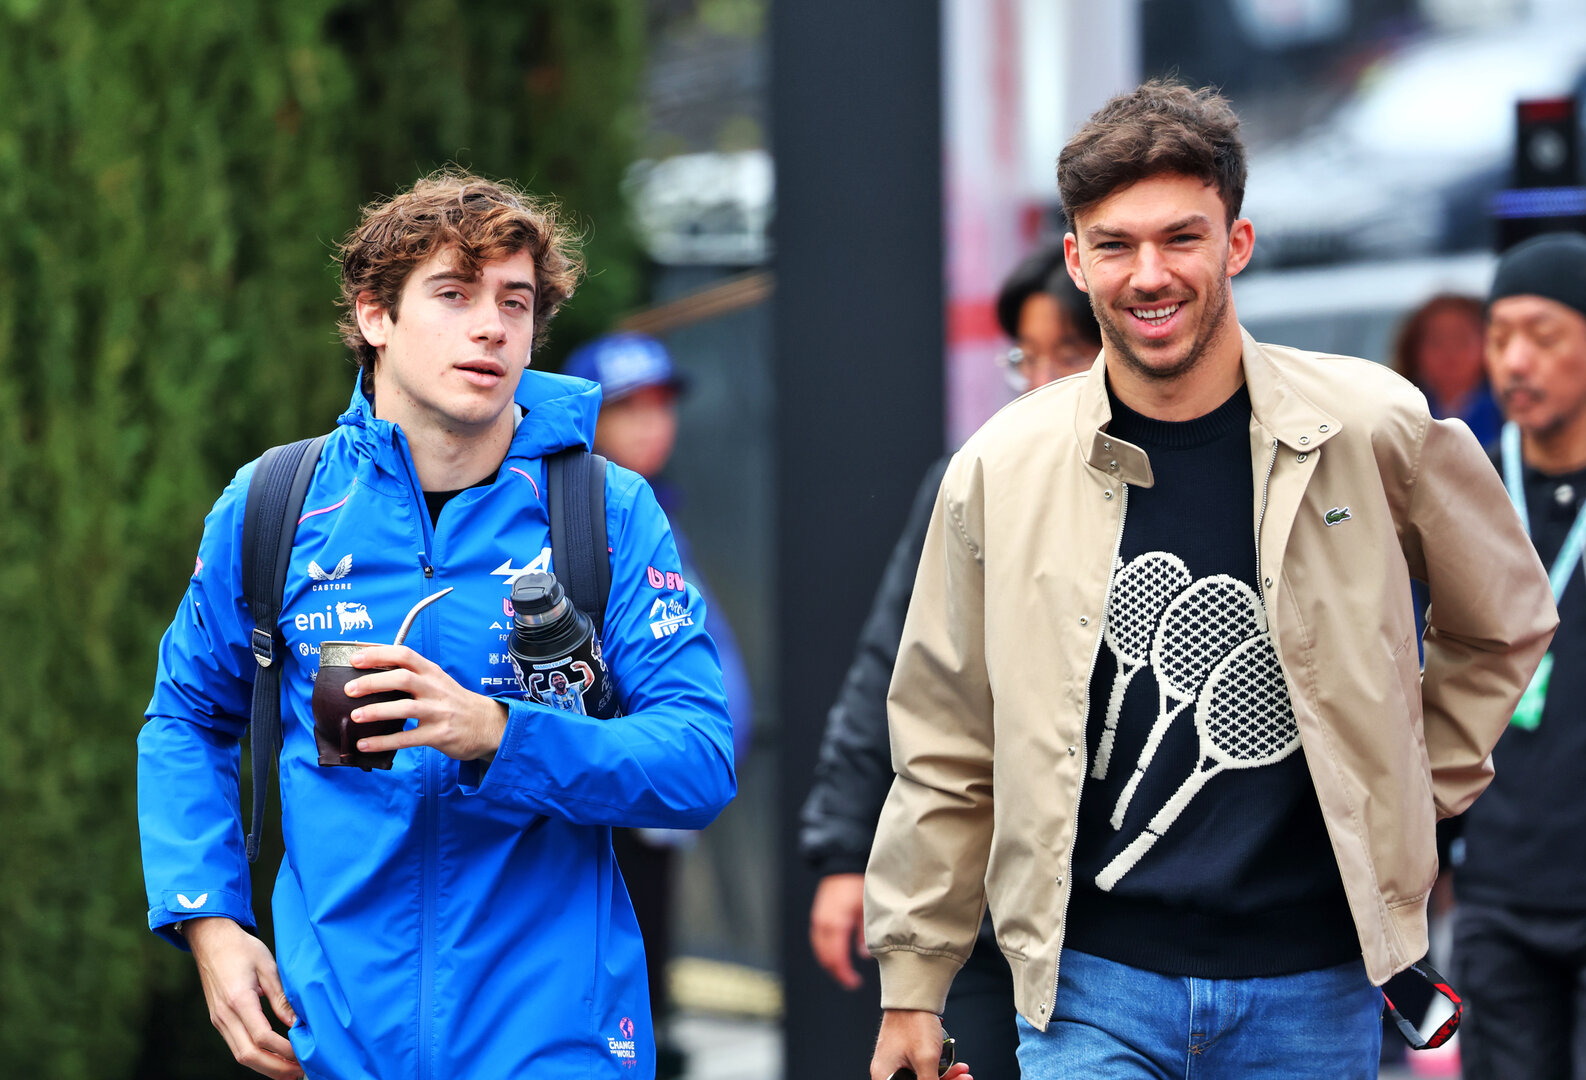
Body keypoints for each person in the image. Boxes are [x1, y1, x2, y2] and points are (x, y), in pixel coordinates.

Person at [863, 80, 1558, 1080]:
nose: (1150, 274)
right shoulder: (997, 468)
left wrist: (1411, 793)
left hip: (1313, 983)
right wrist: (913, 985)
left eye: (1181, 238)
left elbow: (1506, 619)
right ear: (1075, 259)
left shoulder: (1369, 425)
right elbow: (944, 737)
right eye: (1114, 244)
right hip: (1090, 989)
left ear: (1236, 242)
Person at [136, 170, 736, 1080]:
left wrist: (498, 735)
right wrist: (211, 923)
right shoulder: (274, 504)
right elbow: (186, 720)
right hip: (332, 1041)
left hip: (553, 1042)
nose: (491, 325)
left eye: (515, 300)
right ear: (375, 316)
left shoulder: (604, 511)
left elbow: (698, 760)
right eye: (453, 295)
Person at [799, 242, 1099, 1080]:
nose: (1041, 380)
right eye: (1024, 358)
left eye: (1067, 354)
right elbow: (894, 672)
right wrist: (841, 853)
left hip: (1114, 917)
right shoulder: (972, 481)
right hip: (983, 897)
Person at [563, 330, 754, 1079]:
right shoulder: (563, 517)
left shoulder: (650, 510)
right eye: (627, 407)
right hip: (603, 792)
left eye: (661, 405)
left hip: (669, 785)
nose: (651, 423)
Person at [1453, 232, 1586, 1080]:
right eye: (1500, 335)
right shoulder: (1464, 493)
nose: (1516, 360)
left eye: (1544, 336)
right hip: (1497, 894)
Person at [1392, 293, 1502, 443]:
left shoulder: (1507, 410)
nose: (1449, 353)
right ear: (1414, 350)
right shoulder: (1399, 411)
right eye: (1437, 342)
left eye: (1461, 340)